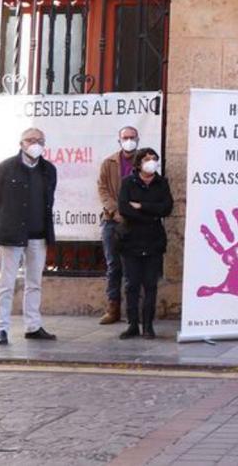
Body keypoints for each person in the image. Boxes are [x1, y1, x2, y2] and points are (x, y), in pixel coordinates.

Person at [0, 128, 57, 345]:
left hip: (38, 234)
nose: (35, 144)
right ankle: (1, 329)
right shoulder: (6, 167)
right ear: (21, 143)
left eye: (39, 140)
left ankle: (33, 326)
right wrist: (7, 217)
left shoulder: (48, 169)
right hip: (11, 234)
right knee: (6, 283)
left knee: (34, 282)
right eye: (31, 140)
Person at [116, 148, 173, 340]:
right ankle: (133, 324)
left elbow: (167, 207)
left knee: (150, 285)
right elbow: (124, 208)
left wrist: (142, 206)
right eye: (147, 159)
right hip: (131, 240)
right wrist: (152, 213)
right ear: (139, 163)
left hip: (153, 240)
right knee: (132, 284)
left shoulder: (161, 183)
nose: (152, 162)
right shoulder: (128, 182)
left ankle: (148, 325)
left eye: (155, 159)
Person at [96, 125, 139, 325]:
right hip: (112, 221)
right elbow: (102, 190)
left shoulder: (145, 161)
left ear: (137, 139)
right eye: (125, 137)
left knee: (134, 267)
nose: (128, 140)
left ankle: (134, 311)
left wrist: (131, 212)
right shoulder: (109, 163)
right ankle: (113, 308)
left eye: (132, 137)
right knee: (114, 266)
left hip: (136, 222)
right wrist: (116, 211)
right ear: (119, 140)